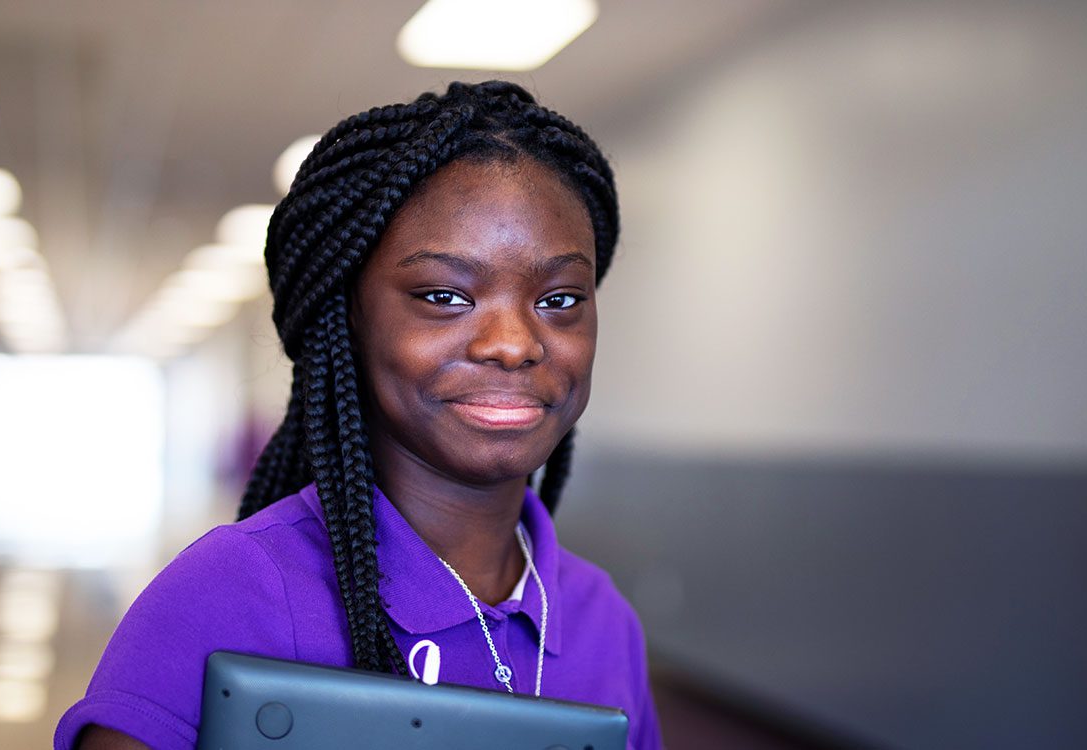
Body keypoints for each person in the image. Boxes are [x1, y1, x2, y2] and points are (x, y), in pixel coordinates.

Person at [56, 80, 662, 750]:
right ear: (345, 319)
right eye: (444, 295)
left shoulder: (601, 619)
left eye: (559, 299)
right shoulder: (225, 596)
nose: (515, 343)